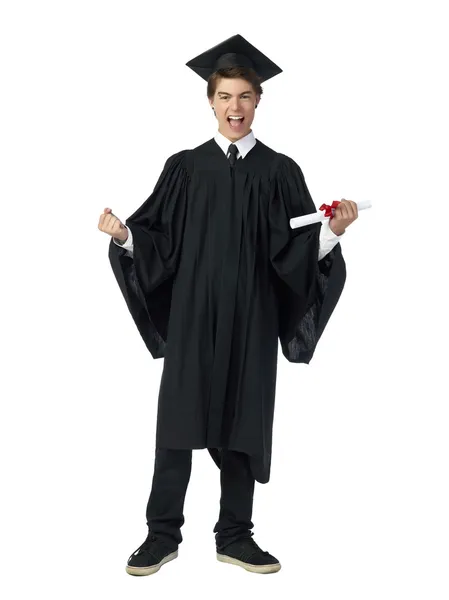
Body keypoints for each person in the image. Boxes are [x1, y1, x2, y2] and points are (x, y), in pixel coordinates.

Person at [98, 34, 358, 576]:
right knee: (176, 425)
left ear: (258, 101)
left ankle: (235, 536)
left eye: (244, 96)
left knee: (243, 422)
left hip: (253, 317)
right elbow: (158, 239)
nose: (234, 107)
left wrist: (331, 232)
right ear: (210, 102)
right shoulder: (185, 168)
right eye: (224, 97)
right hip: (194, 317)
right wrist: (126, 238)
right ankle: (160, 535)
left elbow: (297, 247)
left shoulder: (280, 171)